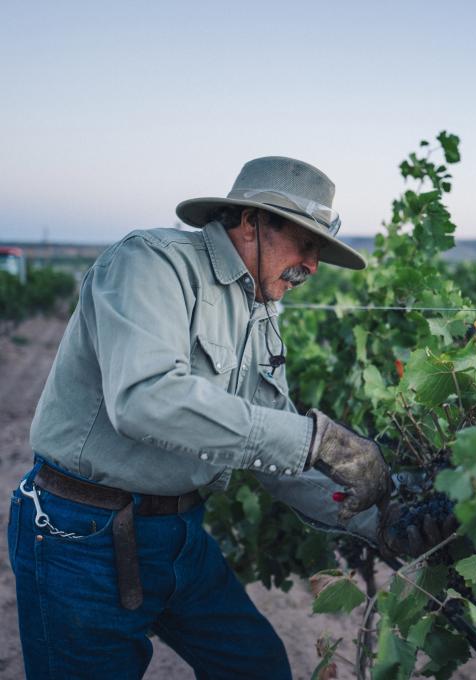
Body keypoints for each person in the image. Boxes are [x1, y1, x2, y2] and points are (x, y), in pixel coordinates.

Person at [7, 156, 441, 679]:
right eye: (306, 244)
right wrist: (316, 440)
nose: (313, 265)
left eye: (319, 251)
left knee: (256, 667)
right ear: (252, 222)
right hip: (82, 535)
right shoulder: (150, 263)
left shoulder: (259, 312)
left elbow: (275, 448)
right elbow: (145, 398)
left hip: (180, 533)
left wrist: (381, 522)